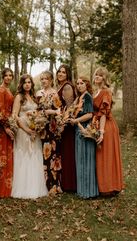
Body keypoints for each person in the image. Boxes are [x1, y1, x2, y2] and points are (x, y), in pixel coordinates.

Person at [11, 74, 48, 199]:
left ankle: (35, 187)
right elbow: (14, 115)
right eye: (25, 82)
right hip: (23, 131)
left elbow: (37, 114)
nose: (27, 84)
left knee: (34, 155)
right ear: (21, 84)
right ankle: (23, 188)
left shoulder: (33, 97)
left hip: (34, 131)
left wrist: (37, 126)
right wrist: (27, 129)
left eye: (29, 82)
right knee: (24, 155)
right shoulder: (19, 97)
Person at [93, 67, 124, 195]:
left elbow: (104, 113)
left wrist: (101, 131)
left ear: (104, 78)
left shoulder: (106, 92)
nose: (97, 77)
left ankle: (110, 187)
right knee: (101, 156)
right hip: (98, 124)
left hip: (106, 126)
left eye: (100, 75)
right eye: (96, 75)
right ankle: (103, 184)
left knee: (106, 155)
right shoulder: (96, 91)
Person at [68, 77, 99, 199]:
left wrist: (76, 120)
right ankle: (81, 190)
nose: (79, 85)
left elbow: (90, 114)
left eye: (82, 83)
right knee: (80, 159)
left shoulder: (87, 97)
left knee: (87, 159)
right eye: (78, 83)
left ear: (87, 85)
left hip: (85, 130)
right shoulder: (78, 98)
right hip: (78, 130)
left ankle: (89, 191)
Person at [36, 71, 62, 195]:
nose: (44, 81)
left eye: (46, 79)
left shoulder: (54, 93)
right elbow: (37, 110)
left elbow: (59, 111)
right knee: (44, 156)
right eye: (42, 79)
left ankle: (55, 185)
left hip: (52, 128)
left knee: (53, 155)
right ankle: (45, 184)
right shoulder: (39, 94)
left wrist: (48, 112)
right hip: (41, 128)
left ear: (51, 80)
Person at [56, 64, 77, 192]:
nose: (61, 74)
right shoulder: (59, 87)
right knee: (63, 152)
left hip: (67, 125)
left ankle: (70, 184)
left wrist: (63, 122)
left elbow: (70, 106)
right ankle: (64, 182)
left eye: (63, 72)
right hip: (61, 123)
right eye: (59, 71)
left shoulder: (67, 86)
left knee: (68, 152)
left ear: (67, 74)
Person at [0, 68, 14, 197]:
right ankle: (0, 189)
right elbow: (1, 110)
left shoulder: (8, 90)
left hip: (9, 124)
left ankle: (8, 188)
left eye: (10, 75)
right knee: (1, 157)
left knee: (8, 155)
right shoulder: (0, 90)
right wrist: (6, 127)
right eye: (6, 75)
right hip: (2, 128)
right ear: (2, 77)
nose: (8, 77)